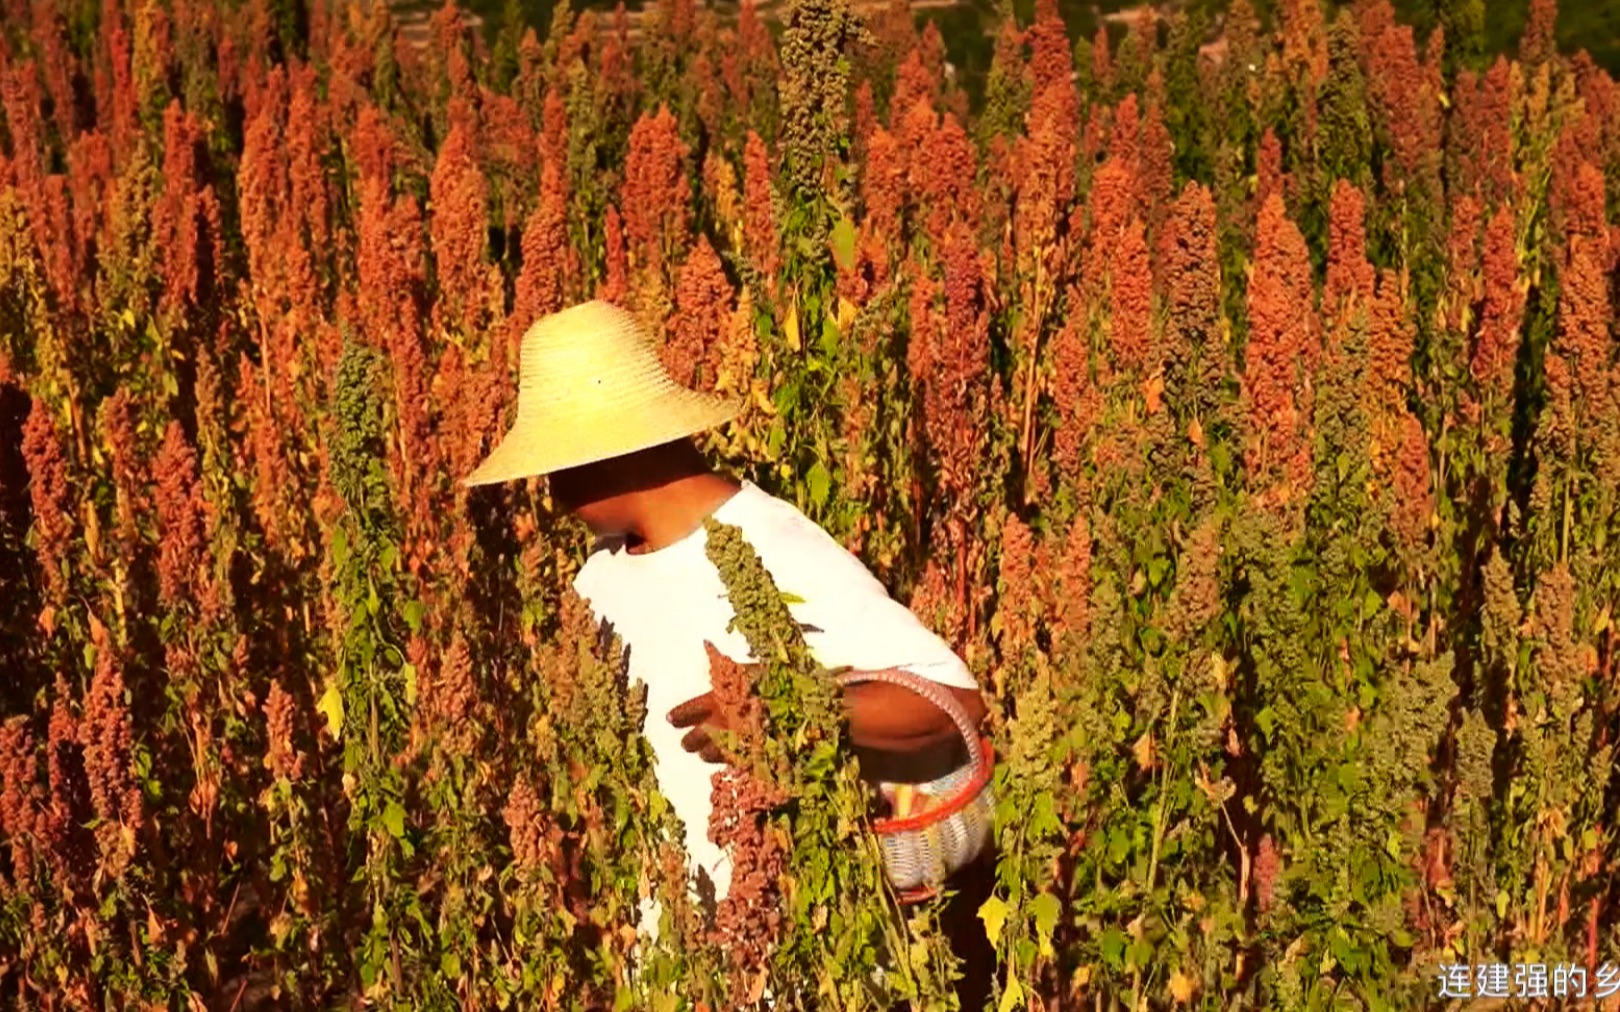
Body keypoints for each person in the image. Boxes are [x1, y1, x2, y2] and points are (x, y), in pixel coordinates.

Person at [464, 300, 996, 1008]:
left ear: (616, 447)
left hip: (803, 966)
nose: (552, 493)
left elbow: (952, 709)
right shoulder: (596, 579)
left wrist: (795, 706)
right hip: (670, 968)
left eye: (557, 464)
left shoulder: (771, 546)